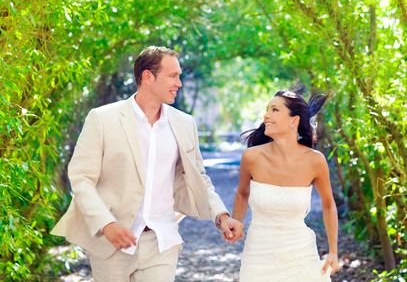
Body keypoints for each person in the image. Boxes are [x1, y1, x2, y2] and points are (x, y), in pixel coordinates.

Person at [52, 46, 244, 282]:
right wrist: (106, 224)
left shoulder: (184, 124)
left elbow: (197, 177)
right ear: (147, 76)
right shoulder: (102, 119)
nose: (179, 83)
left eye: (180, 76)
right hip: (112, 241)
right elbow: (81, 179)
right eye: (173, 76)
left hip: (162, 240)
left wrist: (222, 217)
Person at [232, 87, 339, 282]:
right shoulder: (251, 157)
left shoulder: (315, 160)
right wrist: (237, 221)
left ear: (294, 120)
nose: (266, 115)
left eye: (274, 110)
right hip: (258, 255)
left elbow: (329, 204)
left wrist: (333, 251)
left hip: (301, 255)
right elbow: (242, 193)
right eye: (267, 109)